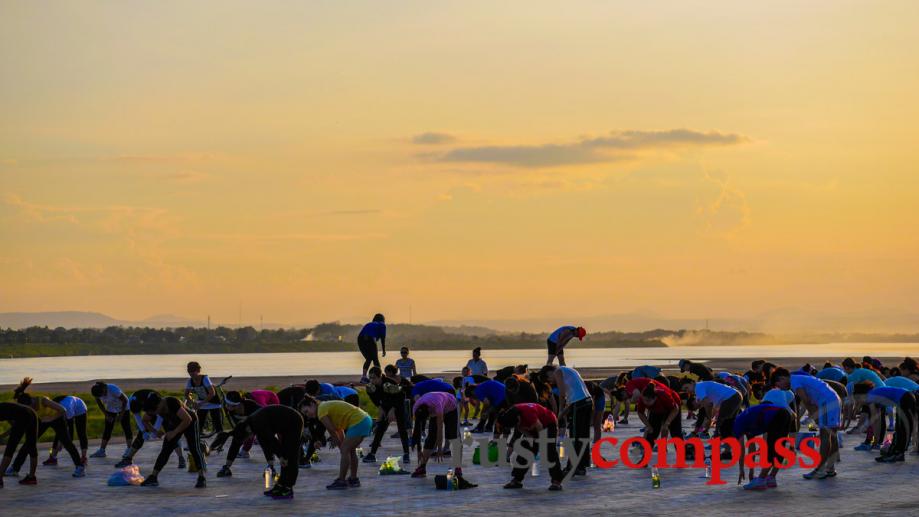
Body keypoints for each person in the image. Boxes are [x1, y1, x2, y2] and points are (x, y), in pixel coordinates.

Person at [214, 404, 305, 499]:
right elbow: (266, 445)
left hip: (294, 422)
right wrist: (279, 457)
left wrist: (281, 456)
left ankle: (288, 488)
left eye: (247, 437)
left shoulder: (258, 423)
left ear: (247, 430)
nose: (249, 438)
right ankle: (281, 485)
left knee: (290, 457)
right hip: (285, 424)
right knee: (284, 457)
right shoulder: (252, 425)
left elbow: (272, 440)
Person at [9, 379, 84, 478]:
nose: (31, 409)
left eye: (31, 407)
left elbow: (63, 410)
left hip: (57, 418)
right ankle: (15, 469)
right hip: (42, 421)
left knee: (67, 443)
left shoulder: (43, 400)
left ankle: (80, 467)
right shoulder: (26, 407)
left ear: (31, 401)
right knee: (28, 443)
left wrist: (50, 418)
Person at [299, 397, 372, 490]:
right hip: (364, 419)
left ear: (312, 404)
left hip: (359, 421)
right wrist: (341, 446)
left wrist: (341, 447)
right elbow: (339, 429)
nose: (307, 415)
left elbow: (331, 430)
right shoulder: (325, 407)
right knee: (350, 450)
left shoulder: (321, 410)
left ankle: (341, 481)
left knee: (346, 450)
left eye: (306, 411)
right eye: (305, 414)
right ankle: (354, 479)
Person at [140, 393, 207, 488]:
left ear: (159, 404)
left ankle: (201, 477)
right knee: (166, 449)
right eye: (151, 412)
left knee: (193, 447)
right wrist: (155, 432)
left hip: (191, 422)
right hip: (175, 423)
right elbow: (145, 420)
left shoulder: (171, 402)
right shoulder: (154, 408)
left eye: (154, 411)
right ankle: (153, 477)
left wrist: (174, 432)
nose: (154, 414)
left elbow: (187, 419)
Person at [784, 371, 842, 479]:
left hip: (826, 402)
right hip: (834, 398)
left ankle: (820, 470)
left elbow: (806, 399)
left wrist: (814, 416)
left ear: (782, 378)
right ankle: (830, 468)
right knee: (832, 436)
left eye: (778, 384)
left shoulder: (794, 381)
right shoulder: (799, 378)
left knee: (825, 436)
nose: (781, 388)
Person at [498, 403, 564, 491]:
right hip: (534, 426)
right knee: (524, 450)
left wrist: (541, 444)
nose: (517, 424)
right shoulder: (512, 415)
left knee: (549, 452)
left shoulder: (528, 413)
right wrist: (530, 438)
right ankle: (517, 480)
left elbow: (540, 428)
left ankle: (557, 481)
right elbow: (520, 428)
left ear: (518, 417)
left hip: (548, 424)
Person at [116, 389, 186, 468]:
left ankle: (181, 458)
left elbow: (160, 416)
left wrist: (154, 431)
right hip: (150, 408)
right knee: (140, 436)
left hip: (162, 410)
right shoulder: (132, 404)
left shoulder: (155, 401)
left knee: (170, 433)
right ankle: (128, 459)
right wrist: (143, 431)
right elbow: (138, 418)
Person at [733, 403, 794, 490]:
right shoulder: (745, 421)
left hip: (775, 416)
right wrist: (751, 471)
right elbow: (752, 448)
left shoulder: (737, 425)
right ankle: (771, 478)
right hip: (785, 413)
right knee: (780, 447)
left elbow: (741, 449)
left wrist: (741, 469)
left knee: (772, 449)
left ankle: (761, 479)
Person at [854, 384, 918, 463]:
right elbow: (878, 421)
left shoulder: (870, 397)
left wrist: (876, 440)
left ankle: (897, 454)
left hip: (904, 398)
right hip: (906, 396)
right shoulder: (874, 395)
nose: (859, 404)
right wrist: (876, 439)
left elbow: (875, 420)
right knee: (900, 428)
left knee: (901, 429)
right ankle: (898, 454)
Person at [363, 366, 411, 465]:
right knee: (380, 429)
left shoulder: (389, 383)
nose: (371, 380)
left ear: (380, 377)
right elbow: (375, 400)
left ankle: (406, 454)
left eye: (374, 378)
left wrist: (393, 410)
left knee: (402, 430)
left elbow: (400, 397)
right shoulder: (370, 387)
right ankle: (372, 454)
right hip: (385, 406)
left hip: (398, 405)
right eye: (370, 377)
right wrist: (381, 408)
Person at [551, 365, 592, 476]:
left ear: (549, 373)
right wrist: (561, 415)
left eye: (549, 379)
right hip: (587, 401)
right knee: (583, 436)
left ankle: (572, 468)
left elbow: (562, 394)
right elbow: (572, 400)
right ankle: (581, 467)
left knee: (574, 437)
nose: (551, 381)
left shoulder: (557, 371)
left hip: (578, 404)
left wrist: (559, 410)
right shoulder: (569, 370)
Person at [409, 391, 459, 478]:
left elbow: (440, 430)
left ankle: (458, 468)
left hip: (450, 407)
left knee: (453, 437)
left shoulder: (437, 406)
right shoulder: (416, 408)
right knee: (431, 437)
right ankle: (422, 467)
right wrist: (419, 450)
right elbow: (417, 430)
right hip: (434, 404)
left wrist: (439, 449)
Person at [689, 380, 743, 455]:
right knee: (728, 424)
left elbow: (709, 405)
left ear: (692, 383)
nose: (688, 391)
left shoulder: (698, 389)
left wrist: (709, 419)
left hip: (731, 397)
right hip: (736, 395)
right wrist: (711, 418)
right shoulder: (702, 390)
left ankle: (717, 446)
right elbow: (713, 408)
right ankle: (728, 450)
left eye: (687, 388)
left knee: (721, 424)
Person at [0, 402, 39, 488]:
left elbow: (17, 425)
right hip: (32, 413)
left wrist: (3, 436)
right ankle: (31, 477)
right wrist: (3, 436)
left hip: (24, 415)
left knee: (10, 448)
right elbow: (14, 426)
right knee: (32, 447)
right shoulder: (4, 408)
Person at [89, 381, 132, 458]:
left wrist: (121, 414)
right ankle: (102, 451)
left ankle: (130, 449)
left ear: (104, 388)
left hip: (123, 407)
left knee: (126, 427)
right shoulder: (96, 391)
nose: (103, 396)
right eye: (101, 395)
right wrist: (106, 414)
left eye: (103, 394)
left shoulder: (113, 389)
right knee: (108, 428)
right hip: (111, 408)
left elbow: (125, 400)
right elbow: (99, 403)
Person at [47, 395, 89, 467]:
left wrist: (64, 444)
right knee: (59, 433)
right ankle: (52, 458)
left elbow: (70, 430)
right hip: (66, 407)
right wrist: (60, 443)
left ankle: (83, 457)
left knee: (81, 433)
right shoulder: (52, 407)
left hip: (80, 408)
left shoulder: (67, 408)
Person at [184, 361, 223, 436]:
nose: (191, 373)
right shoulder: (190, 381)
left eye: (193, 371)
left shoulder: (205, 378)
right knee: (199, 423)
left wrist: (201, 403)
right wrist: (193, 402)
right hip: (202, 403)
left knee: (217, 424)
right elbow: (186, 394)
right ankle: (198, 441)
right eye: (189, 371)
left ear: (198, 370)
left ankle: (220, 441)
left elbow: (212, 393)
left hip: (213, 402)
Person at [357, 313, 387, 382]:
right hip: (370, 338)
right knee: (375, 359)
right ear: (382, 319)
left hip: (360, 339)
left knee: (369, 358)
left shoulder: (369, 324)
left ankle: (364, 377)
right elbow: (383, 338)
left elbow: (364, 334)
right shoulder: (382, 324)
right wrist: (384, 350)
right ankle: (380, 377)